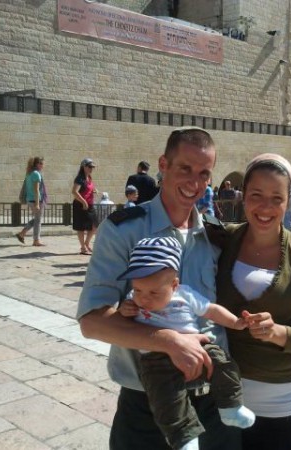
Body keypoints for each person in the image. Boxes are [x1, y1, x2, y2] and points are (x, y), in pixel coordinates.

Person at [77, 127, 242, 450]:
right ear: (163, 165)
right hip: (149, 406)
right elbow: (91, 320)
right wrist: (167, 341)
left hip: (213, 406)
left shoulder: (214, 234)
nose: (194, 182)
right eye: (185, 168)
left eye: (204, 173)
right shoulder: (124, 230)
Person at [216, 154, 291, 450]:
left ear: (288, 201)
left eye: (276, 198)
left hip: (283, 409)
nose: (266, 208)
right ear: (244, 196)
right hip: (224, 405)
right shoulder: (222, 241)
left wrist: (278, 333)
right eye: (256, 195)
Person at [118, 236, 255, 450]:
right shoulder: (133, 300)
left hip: (198, 348)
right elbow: (121, 319)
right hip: (156, 359)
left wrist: (236, 322)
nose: (144, 298)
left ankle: (230, 406)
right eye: (138, 290)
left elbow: (212, 310)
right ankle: (184, 437)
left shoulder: (185, 295)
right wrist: (125, 310)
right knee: (167, 398)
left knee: (224, 363)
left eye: (154, 292)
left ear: (174, 285)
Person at [15, 157, 47, 246]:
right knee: (38, 221)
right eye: (41, 164)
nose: (43, 166)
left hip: (30, 199)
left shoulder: (29, 173)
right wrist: (37, 203)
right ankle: (36, 240)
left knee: (37, 219)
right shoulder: (36, 174)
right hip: (36, 200)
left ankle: (22, 233)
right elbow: (36, 190)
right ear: (37, 164)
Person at [72, 158, 98, 255]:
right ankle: (83, 247)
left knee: (94, 226)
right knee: (81, 227)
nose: (91, 169)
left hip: (89, 204)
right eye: (89, 167)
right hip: (80, 205)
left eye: (92, 167)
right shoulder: (80, 178)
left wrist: (94, 190)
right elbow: (74, 192)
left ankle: (86, 243)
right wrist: (83, 202)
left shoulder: (89, 178)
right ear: (84, 167)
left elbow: (87, 188)